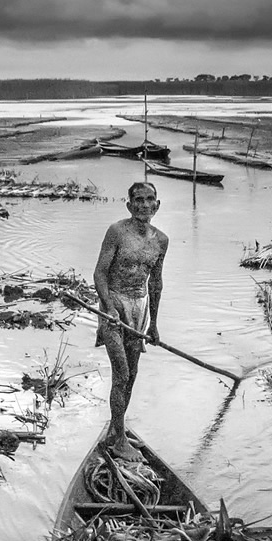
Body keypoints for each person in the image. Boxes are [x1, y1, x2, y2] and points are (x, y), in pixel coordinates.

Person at [93, 178, 168, 459]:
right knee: (121, 372)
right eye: (138, 200)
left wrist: (155, 325)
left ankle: (116, 430)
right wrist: (109, 308)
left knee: (133, 374)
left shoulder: (161, 240)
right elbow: (99, 273)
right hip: (114, 304)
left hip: (139, 308)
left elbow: (155, 284)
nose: (144, 205)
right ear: (129, 204)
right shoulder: (117, 232)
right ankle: (120, 439)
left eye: (149, 200)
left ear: (157, 206)